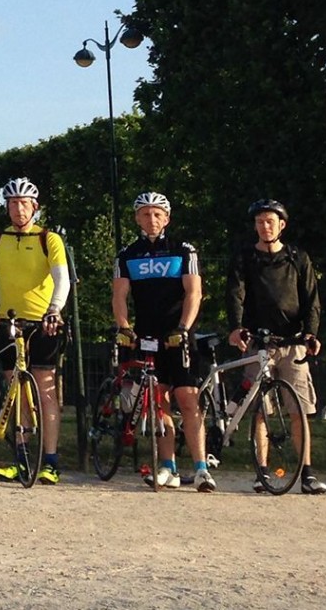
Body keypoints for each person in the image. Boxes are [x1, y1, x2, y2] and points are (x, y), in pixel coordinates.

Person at [227, 199, 326, 494]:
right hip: (259, 342)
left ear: (281, 225)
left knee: (300, 409)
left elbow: (311, 299)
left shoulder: (298, 258)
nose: (264, 226)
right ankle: (263, 470)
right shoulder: (245, 258)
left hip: (292, 343)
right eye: (259, 221)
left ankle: (306, 472)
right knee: (260, 409)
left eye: (270, 221)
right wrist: (236, 328)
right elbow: (235, 294)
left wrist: (310, 333)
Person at [110, 193, 207, 490]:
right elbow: (119, 296)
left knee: (188, 398)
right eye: (145, 214)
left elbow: (194, 293)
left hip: (177, 332)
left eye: (157, 214)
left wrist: (183, 327)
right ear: (137, 218)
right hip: (147, 333)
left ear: (167, 218)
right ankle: (168, 467)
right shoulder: (127, 254)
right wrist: (124, 327)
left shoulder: (183, 250)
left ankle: (202, 467)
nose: (151, 220)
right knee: (157, 401)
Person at [0, 178, 70, 485]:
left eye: (24, 204)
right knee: (14, 390)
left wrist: (54, 310)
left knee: (45, 390)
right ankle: (20, 458)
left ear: (35, 207)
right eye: (13, 204)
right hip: (9, 321)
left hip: (43, 322)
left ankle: (51, 460)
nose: (18, 209)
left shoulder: (49, 238)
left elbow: (63, 279)